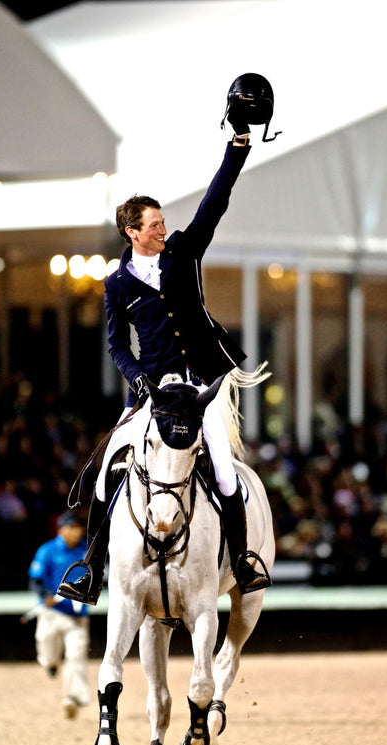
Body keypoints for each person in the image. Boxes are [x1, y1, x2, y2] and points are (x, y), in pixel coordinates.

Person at [58, 107, 272, 607]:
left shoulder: (183, 252)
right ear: (132, 232)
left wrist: (237, 146)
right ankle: (91, 567)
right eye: (153, 225)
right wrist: (135, 379)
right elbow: (115, 343)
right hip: (152, 388)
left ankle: (240, 558)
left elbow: (214, 203)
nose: (161, 229)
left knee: (221, 468)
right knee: (107, 465)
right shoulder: (116, 283)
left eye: (161, 222)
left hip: (199, 387)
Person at [27, 510, 90, 719]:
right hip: (52, 612)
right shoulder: (48, 550)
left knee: (76, 655)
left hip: (77, 616)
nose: (76, 531)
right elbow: (35, 579)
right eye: (72, 527)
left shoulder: (86, 552)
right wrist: (45, 595)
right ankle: (50, 663)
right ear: (61, 529)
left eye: (78, 527)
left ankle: (72, 698)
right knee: (46, 644)